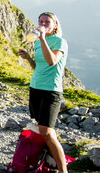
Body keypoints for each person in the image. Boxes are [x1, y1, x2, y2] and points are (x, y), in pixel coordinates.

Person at [18, 12, 68, 173]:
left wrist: (43, 38)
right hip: (36, 88)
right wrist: (28, 58)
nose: (43, 23)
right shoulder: (38, 42)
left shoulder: (60, 42)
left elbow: (52, 61)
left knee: (47, 132)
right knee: (42, 130)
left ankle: (63, 170)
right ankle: (46, 162)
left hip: (51, 91)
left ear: (55, 25)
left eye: (47, 21)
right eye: (41, 21)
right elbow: (39, 67)